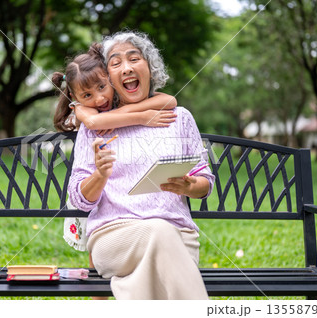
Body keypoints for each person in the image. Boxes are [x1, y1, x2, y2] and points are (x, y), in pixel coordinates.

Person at [68, 31, 214, 300]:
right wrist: (100, 175)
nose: (126, 68)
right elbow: (79, 200)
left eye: (134, 58)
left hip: (179, 236)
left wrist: (189, 184)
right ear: (108, 78)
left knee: (162, 232)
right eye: (115, 63)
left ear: (150, 67)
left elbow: (205, 182)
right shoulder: (94, 128)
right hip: (114, 237)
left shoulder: (178, 117)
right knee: (158, 230)